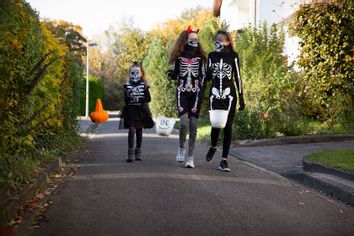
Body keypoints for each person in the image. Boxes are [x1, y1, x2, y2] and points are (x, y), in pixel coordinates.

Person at [166, 26, 207, 168]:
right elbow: (176, 73)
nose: (194, 42)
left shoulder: (201, 59)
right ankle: (181, 147)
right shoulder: (179, 58)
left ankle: (190, 157)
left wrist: (208, 78)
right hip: (182, 92)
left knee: (194, 126)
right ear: (184, 41)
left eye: (196, 40)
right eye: (191, 40)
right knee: (183, 123)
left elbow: (204, 77)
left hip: (196, 93)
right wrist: (172, 75)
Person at [205, 30, 245, 172]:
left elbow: (238, 77)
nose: (219, 42)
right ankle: (214, 146)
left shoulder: (233, 56)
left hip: (229, 95)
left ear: (228, 42)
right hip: (215, 95)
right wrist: (209, 71)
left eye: (222, 39)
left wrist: (241, 97)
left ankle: (224, 160)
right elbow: (207, 78)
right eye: (217, 39)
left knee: (228, 126)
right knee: (215, 125)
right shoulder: (211, 55)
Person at [121, 62, 154, 162]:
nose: (135, 75)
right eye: (132, 73)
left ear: (141, 74)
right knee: (131, 130)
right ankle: (130, 154)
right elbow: (126, 101)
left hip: (141, 111)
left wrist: (139, 99)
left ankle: (138, 153)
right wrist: (129, 95)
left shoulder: (144, 86)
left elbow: (148, 99)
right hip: (130, 110)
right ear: (129, 74)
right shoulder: (126, 86)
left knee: (139, 130)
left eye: (137, 73)